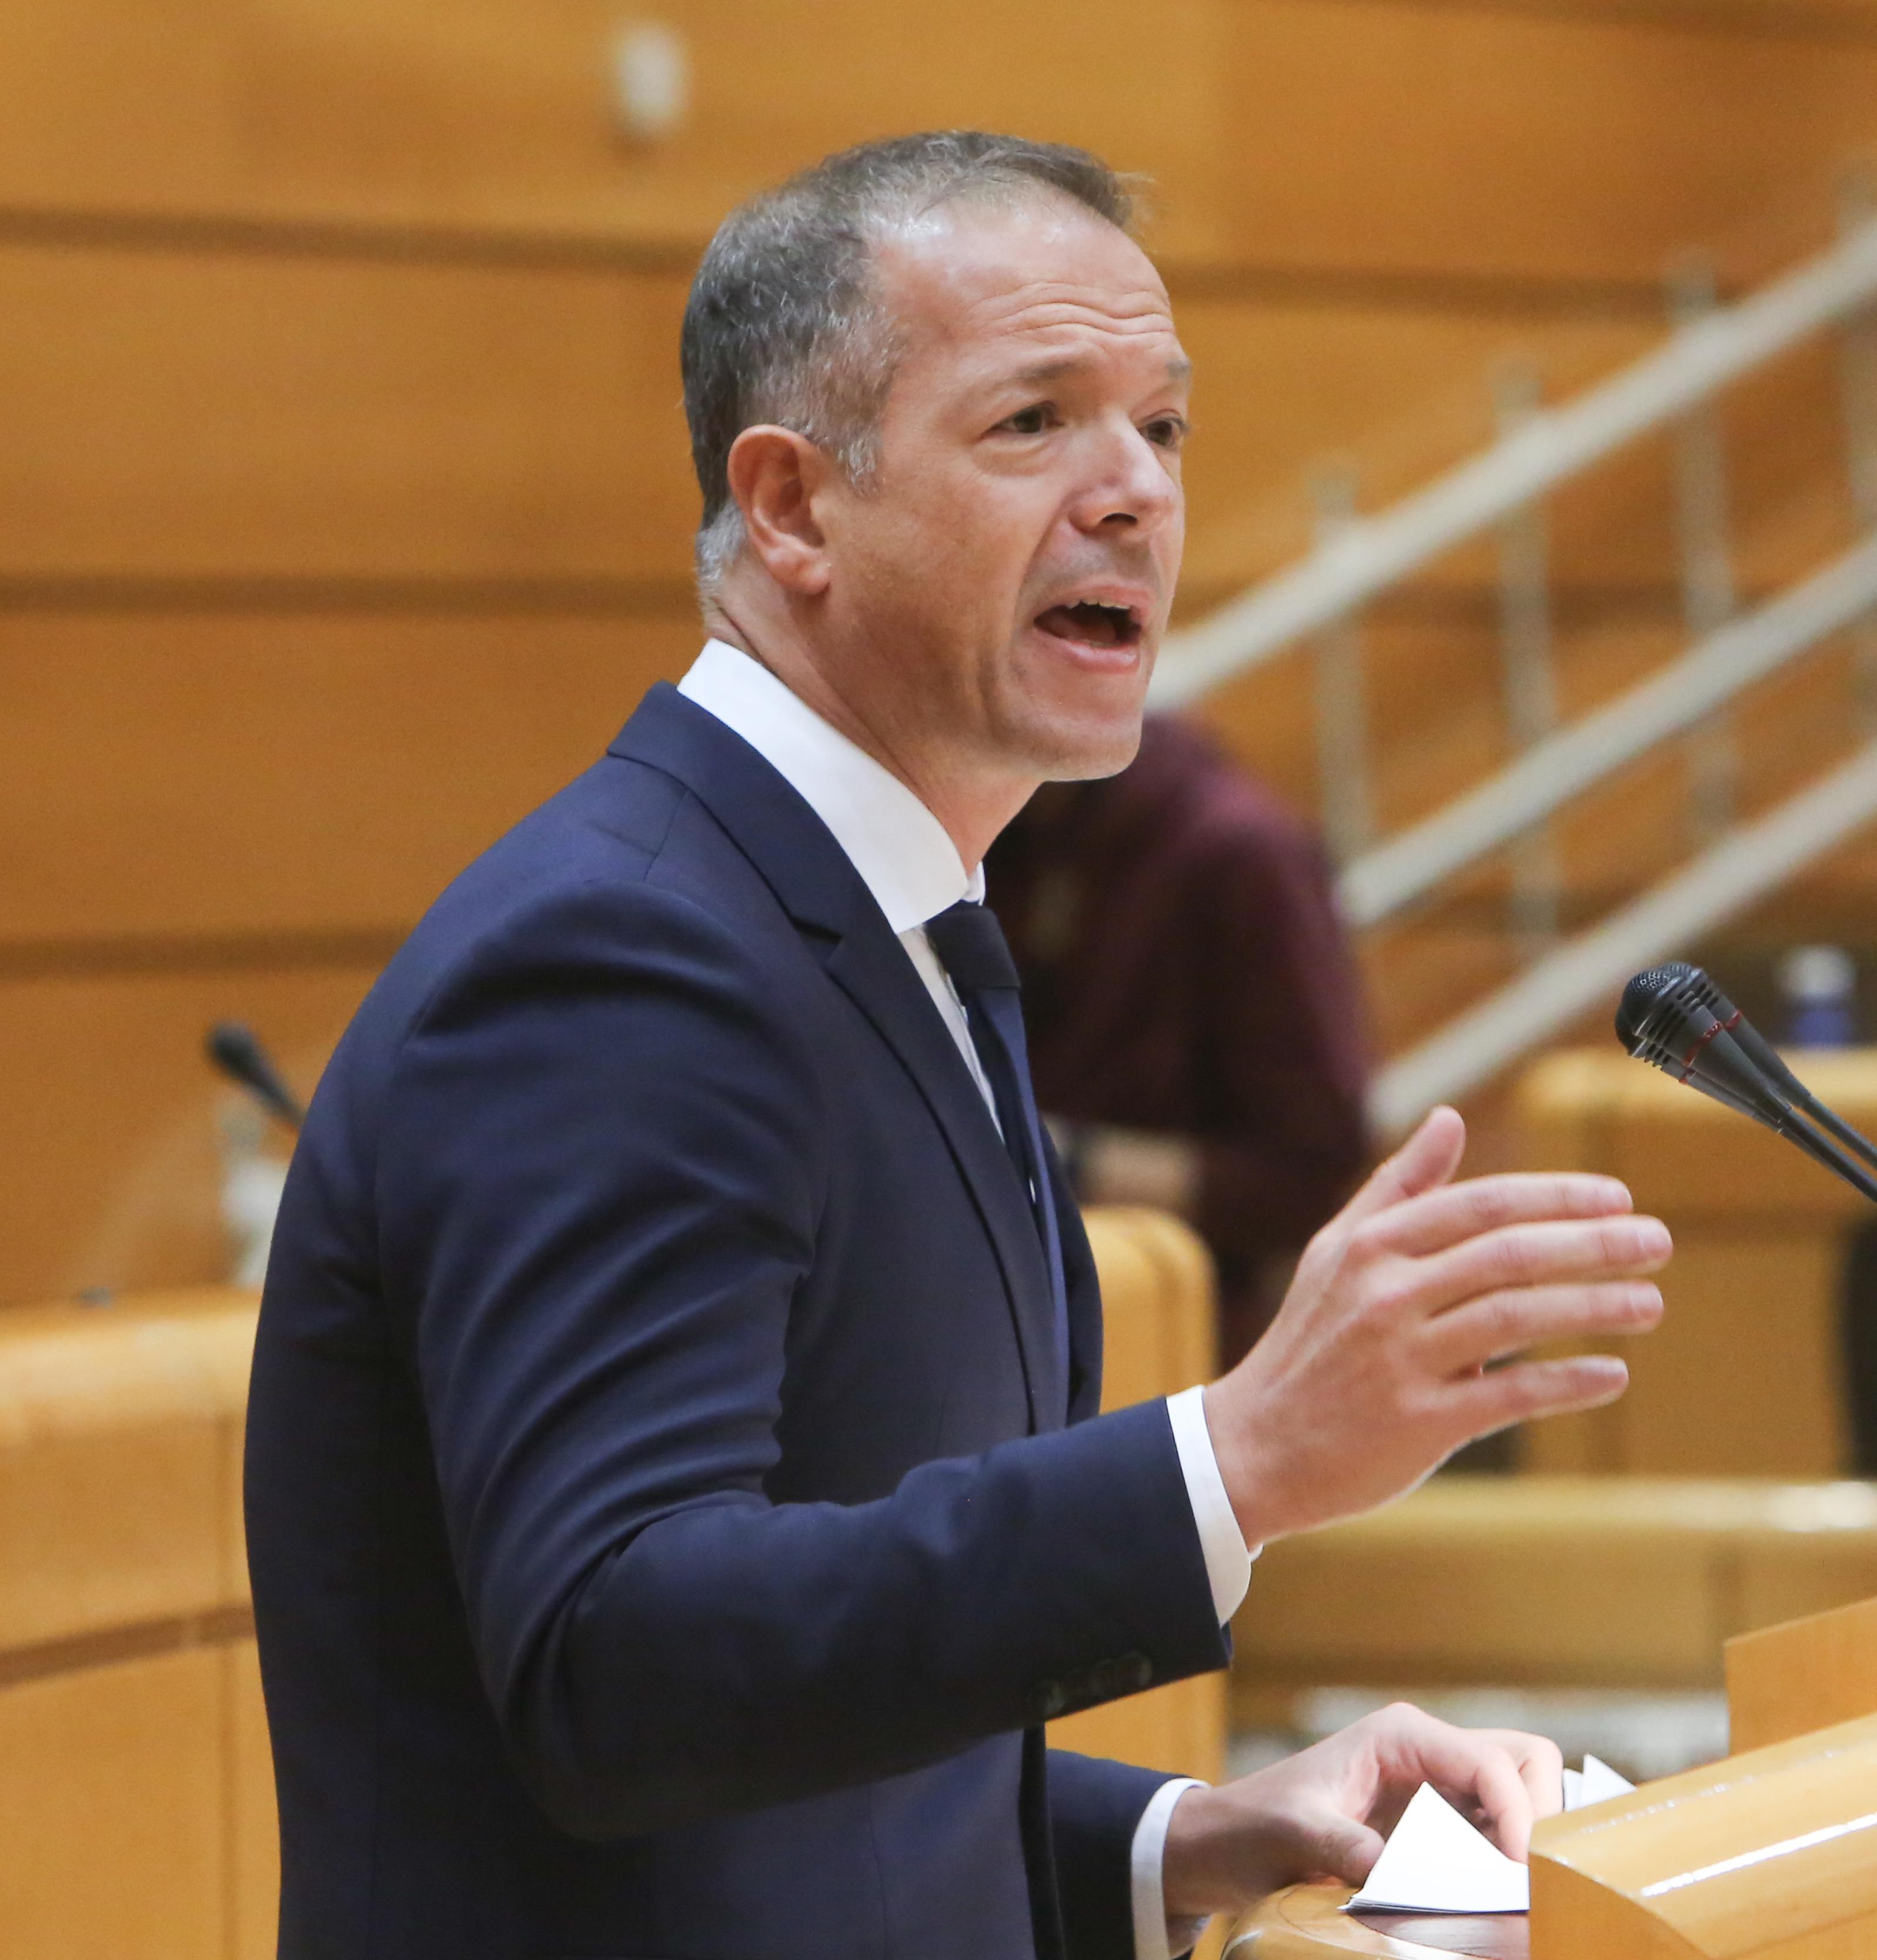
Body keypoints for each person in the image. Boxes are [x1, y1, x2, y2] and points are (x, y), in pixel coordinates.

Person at [242, 133, 1674, 1960]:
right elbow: (621, 1663)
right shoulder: (626, 952)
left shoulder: (887, 926)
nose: (1133, 494)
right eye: (1033, 425)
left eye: (1160, 428)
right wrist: (1231, 1461)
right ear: (791, 509)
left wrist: (1190, 1834)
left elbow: (801, 1751)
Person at [987, 714, 1370, 1364]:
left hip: (1177, 1346)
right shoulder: (997, 832)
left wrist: (1053, 1160)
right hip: (1017, 1326)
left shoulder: (1241, 854)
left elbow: (1311, 1172)